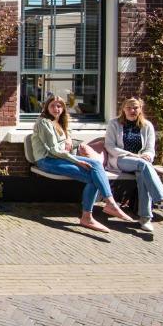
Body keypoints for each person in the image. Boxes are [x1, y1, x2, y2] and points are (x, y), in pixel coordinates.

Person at [31, 95, 134, 232]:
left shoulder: (61, 123)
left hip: (62, 158)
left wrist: (72, 141)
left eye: (59, 106)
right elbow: (54, 150)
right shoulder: (43, 122)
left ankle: (92, 214)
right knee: (94, 176)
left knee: (95, 167)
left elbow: (67, 144)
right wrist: (77, 161)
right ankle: (105, 207)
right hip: (47, 160)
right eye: (53, 106)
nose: (56, 109)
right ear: (46, 107)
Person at [105, 97, 163, 233]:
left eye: (135, 108)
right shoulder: (114, 123)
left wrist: (148, 156)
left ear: (140, 109)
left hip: (142, 164)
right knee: (142, 165)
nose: (132, 110)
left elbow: (150, 149)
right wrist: (135, 156)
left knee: (142, 176)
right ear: (123, 109)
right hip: (121, 160)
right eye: (129, 108)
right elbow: (110, 146)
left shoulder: (147, 126)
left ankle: (145, 218)